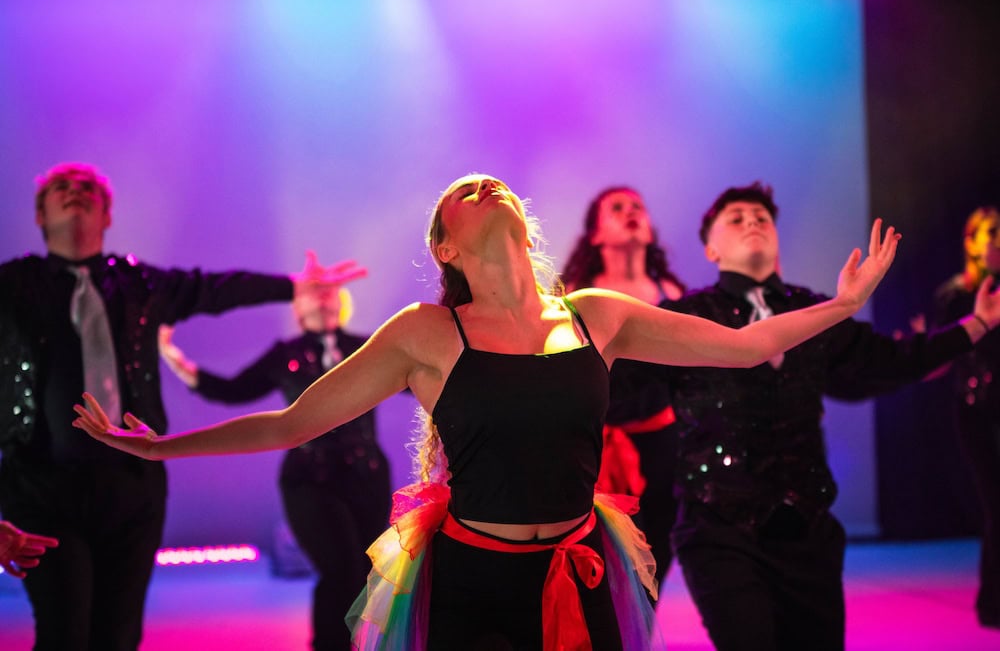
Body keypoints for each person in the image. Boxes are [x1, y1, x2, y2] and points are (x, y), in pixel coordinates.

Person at [74, 173, 901, 651]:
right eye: (459, 194)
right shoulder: (424, 333)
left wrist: (846, 302)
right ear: (444, 246)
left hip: (579, 570)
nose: (481, 182)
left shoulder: (595, 313)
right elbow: (291, 422)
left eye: (492, 183)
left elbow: (746, 345)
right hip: (472, 582)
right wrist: (161, 449)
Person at [0, 162, 339, 651]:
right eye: (61, 188)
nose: (76, 192)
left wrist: (291, 286)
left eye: (89, 188)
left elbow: (214, 288)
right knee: (64, 631)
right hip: (41, 486)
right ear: (39, 213)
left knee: (118, 635)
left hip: (133, 483)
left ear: (108, 214)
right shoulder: (13, 285)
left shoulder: (137, 283)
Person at [655, 182, 1000, 651]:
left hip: (807, 529)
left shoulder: (811, 309)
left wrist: (976, 324)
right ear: (711, 248)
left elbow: (890, 360)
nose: (753, 221)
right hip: (716, 528)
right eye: (736, 217)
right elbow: (624, 394)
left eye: (762, 217)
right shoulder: (684, 316)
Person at [158, 253, 392, 651]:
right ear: (297, 304)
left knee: (368, 574)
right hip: (310, 480)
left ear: (341, 300)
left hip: (366, 476)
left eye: (329, 290)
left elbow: (413, 377)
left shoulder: (367, 346)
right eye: (313, 291)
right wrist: (178, 362)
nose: (322, 297)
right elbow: (235, 391)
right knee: (339, 571)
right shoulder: (286, 353)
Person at [561, 186, 685, 591]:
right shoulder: (571, 297)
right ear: (596, 235)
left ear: (649, 232)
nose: (631, 212)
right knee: (598, 561)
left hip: (662, 442)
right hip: (592, 447)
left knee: (656, 554)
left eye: (637, 207)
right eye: (617, 208)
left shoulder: (675, 295)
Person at [933, 205, 1000, 630]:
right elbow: (937, 353)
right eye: (991, 233)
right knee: (997, 505)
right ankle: (992, 604)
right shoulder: (957, 294)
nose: (999, 241)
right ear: (971, 242)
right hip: (977, 411)